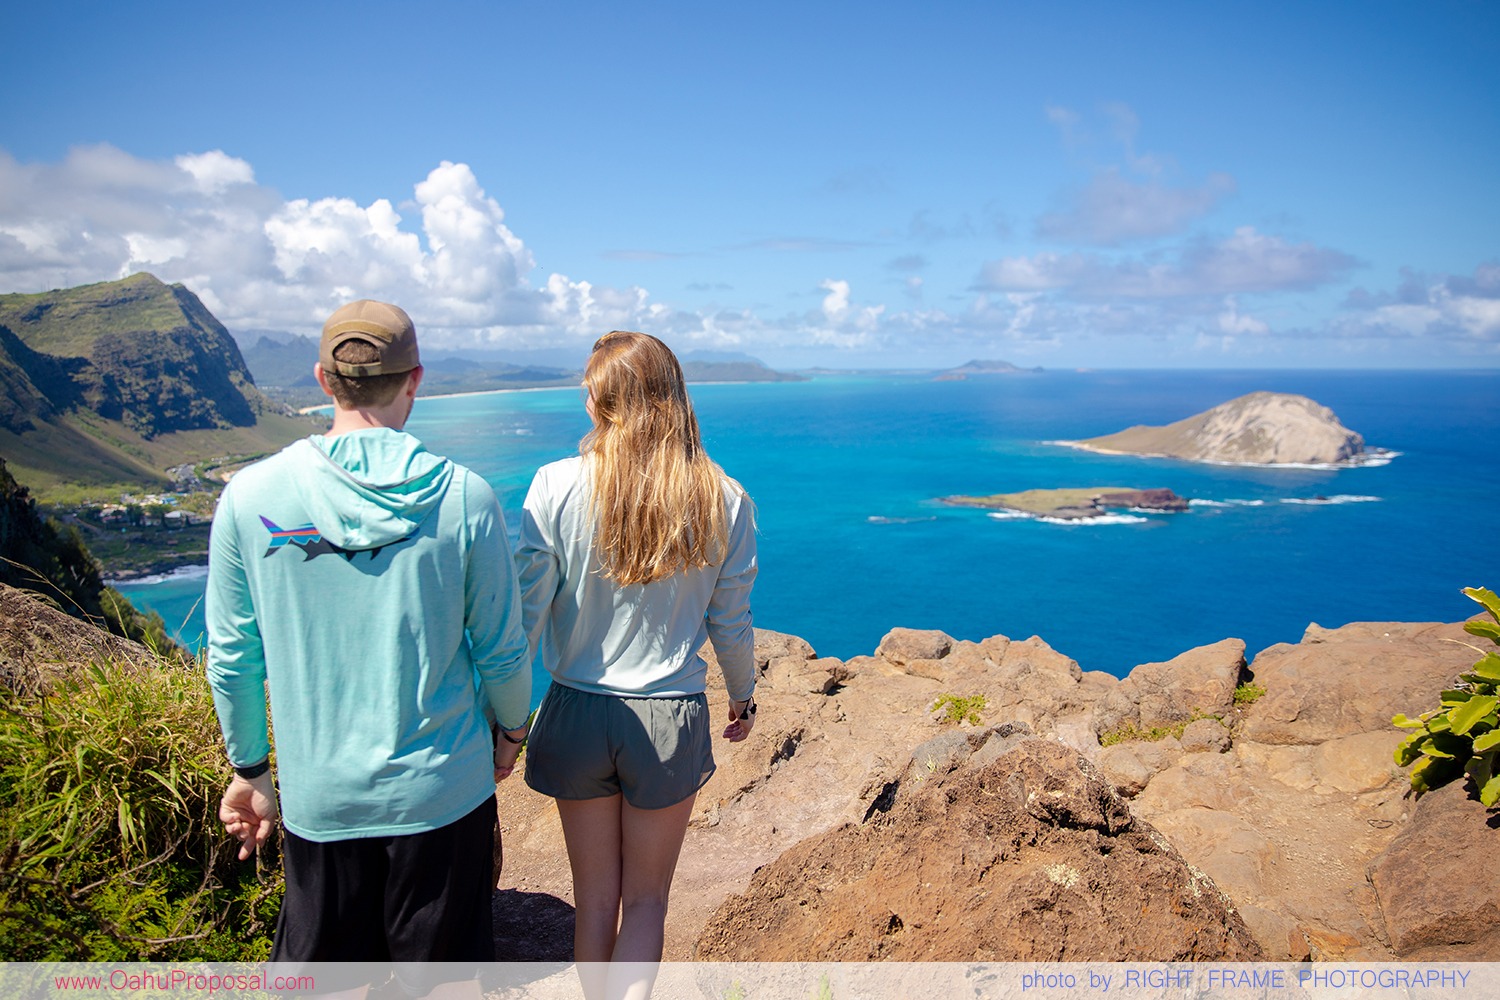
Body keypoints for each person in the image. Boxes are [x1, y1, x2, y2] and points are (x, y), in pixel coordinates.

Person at [206, 299, 531, 992]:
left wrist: (251, 772)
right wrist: (511, 731)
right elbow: (502, 649)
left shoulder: (250, 497)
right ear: (415, 379)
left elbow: (233, 658)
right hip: (444, 791)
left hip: (321, 801)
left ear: (324, 381)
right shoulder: (465, 499)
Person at [515, 330, 757, 1000]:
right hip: (668, 720)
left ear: (603, 403)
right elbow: (729, 620)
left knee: (594, 902)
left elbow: (524, 616)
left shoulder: (554, 485)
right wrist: (743, 695)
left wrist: (504, 718)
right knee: (646, 902)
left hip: (574, 711)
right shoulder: (724, 497)